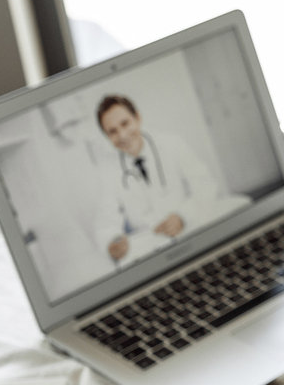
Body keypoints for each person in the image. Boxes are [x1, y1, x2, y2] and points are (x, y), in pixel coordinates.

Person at [94, 93, 241, 265]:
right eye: (112, 132)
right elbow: (105, 219)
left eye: (125, 123)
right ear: (107, 136)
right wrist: (111, 241)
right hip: (152, 243)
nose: (123, 135)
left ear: (137, 118)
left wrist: (183, 216)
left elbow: (205, 184)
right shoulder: (108, 172)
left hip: (191, 225)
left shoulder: (172, 143)